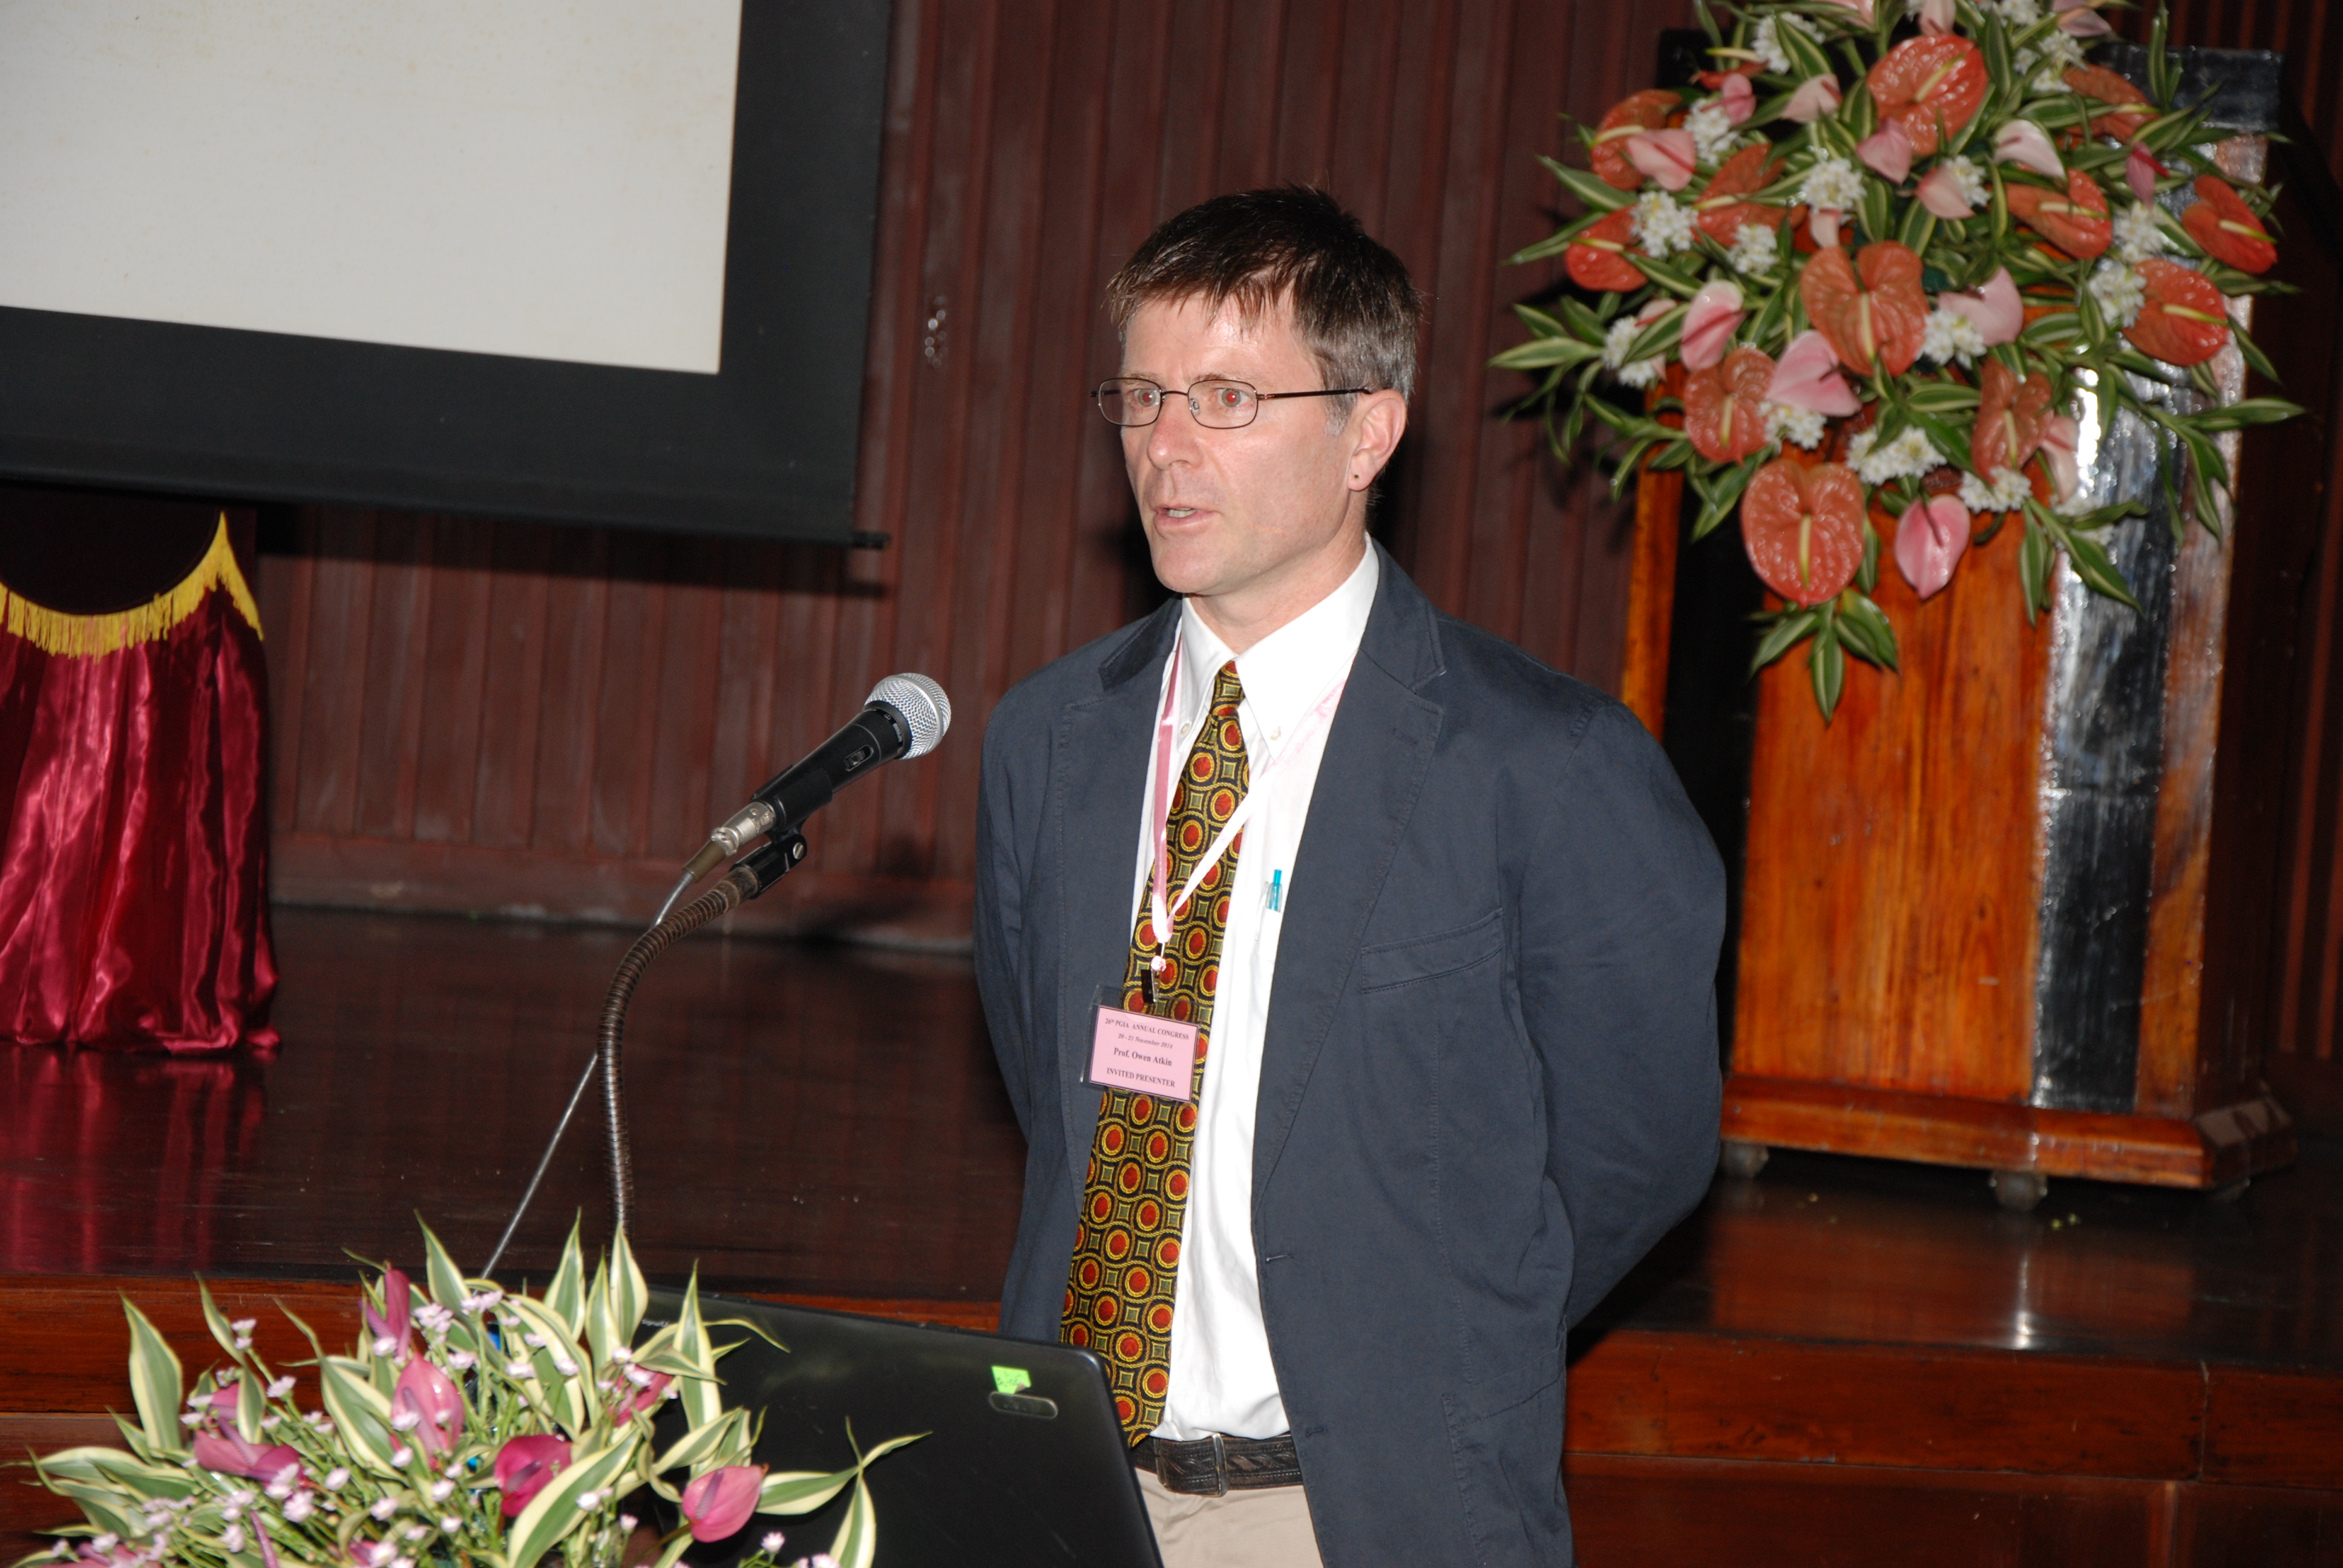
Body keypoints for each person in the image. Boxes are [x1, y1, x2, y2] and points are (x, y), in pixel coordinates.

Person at [972, 185, 1723, 1567]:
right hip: (1073, 1495)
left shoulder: (1543, 765)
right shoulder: (1050, 739)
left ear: (1367, 432)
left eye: (1226, 400)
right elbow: (1048, 1090)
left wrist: (1442, 1334)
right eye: (1140, 398)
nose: (1165, 447)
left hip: (1359, 1514)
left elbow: (1638, 1151)